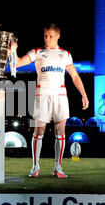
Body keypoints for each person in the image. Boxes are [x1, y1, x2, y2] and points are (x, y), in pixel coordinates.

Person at [15, 23, 89, 178]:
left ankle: (58, 167)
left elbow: (75, 76)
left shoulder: (65, 54)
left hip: (60, 95)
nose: (47, 38)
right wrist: (12, 51)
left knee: (60, 131)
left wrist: (84, 94)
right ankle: (35, 167)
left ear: (58, 36)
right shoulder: (38, 52)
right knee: (38, 130)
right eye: (45, 35)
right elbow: (17, 62)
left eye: (50, 36)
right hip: (42, 94)